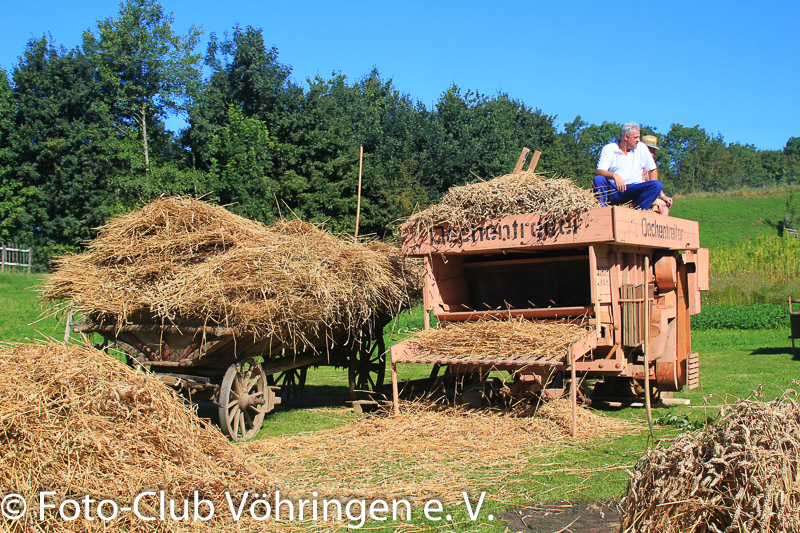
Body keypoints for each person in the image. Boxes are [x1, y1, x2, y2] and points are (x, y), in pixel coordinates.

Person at [593, 122, 663, 210]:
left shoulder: (642, 147)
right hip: (614, 190)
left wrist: (654, 197)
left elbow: (652, 170)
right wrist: (614, 175)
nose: (638, 140)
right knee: (598, 179)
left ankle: (640, 212)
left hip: (634, 190)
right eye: (635, 137)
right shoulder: (609, 149)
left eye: (639, 137)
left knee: (656, 185)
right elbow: (599, 171)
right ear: (626, 137)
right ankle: (603, 210)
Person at [641, 134, 673, 215]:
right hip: (638, 197)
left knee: (665, 205)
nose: (653, 154)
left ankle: (661, 223)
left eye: (654, 151)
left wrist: (663, 196)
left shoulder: (651, 167)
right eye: (651, 151)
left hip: (648, 197)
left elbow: (654, 183)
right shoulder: (637, 163)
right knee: (655, 203)